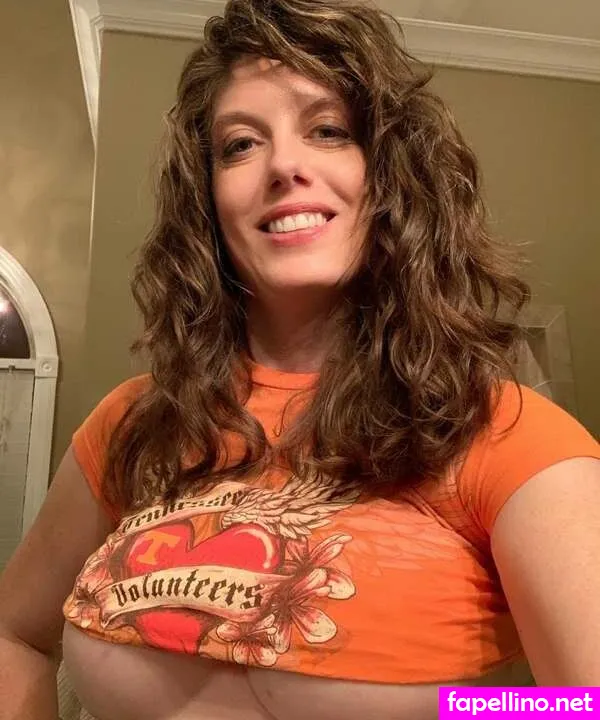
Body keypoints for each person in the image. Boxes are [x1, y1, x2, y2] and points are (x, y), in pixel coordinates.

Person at [1, 0, 599, 718]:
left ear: (389, 180)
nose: (285, 164)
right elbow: (15, 635)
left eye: (328, 130)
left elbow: (580, 705)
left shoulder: (505, 432)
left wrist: (473, 712)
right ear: (207, 200)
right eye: (240, 145)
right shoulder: (133, 423)